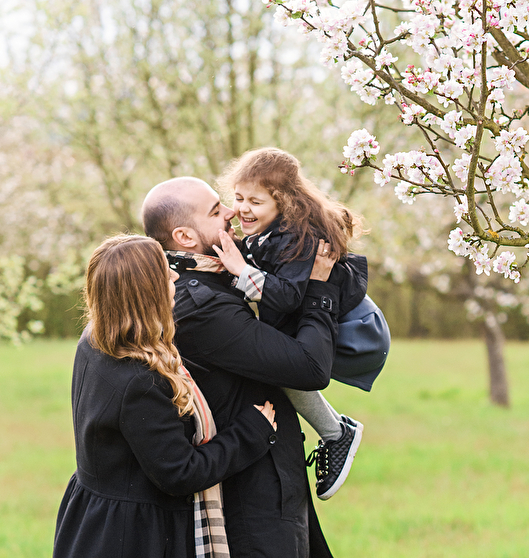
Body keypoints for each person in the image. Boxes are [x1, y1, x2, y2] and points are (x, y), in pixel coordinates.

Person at [141, 177, 339, 558]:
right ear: (184, 237)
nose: (232, 212)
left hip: (270, 479)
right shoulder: (201, 305)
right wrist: (319, 287)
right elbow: (310, 367)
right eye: (217, 210)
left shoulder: (211, 276)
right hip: (256, 500)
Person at [53, 234, 278, 558]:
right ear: (146, 293)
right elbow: (181, 472)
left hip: (93, 518)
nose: (174, 276)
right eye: (164, 273)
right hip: (131, 536)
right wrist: (251, 432)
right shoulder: (140, 381)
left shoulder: (94, 340)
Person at [213, 147, 390, 500]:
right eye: (238, 198)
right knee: (274, 360)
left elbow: (287, 296)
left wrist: (241, 269)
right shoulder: (270, 232)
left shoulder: (300, 238)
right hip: (321, 320)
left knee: (281, 365)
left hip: (356, 330)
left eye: (256, 202)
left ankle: (337, 433)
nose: (243, 208)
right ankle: (334, 430)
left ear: (283, 202)